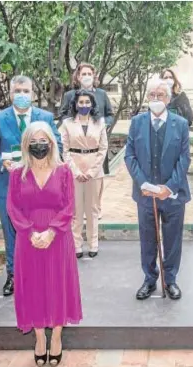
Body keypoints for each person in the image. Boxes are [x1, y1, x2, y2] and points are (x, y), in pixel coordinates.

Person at [6, 121, 82, 367]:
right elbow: (13, 207)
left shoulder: (64, 171)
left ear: (51, 143)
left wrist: (51, 232)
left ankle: (57, 336)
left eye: (44, 141)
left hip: (58, 237)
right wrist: (29, 233)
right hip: (27, 238)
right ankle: (39, 338)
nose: (39, 146)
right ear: (26, 144)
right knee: (34, 285)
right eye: (34, 141)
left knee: (58, 284)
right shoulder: (18, 173)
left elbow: (69, 206)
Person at [0, 75, 62, 297]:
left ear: (33, 94)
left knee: (37, 230)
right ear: (10, 93)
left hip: (39, 189)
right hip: (7, 186)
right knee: (11, 232)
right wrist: (1, 163)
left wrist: (47, 164)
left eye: (26, 91)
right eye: (17, 91)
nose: (22, 95)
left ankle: (40, 276)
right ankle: (13, 275)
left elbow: (58, 145)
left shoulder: (45, 117)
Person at [124, 79, 191, 301]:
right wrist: (143, 183)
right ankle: (150, 279)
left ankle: (170, 280)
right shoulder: (137, 122)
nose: (155, 99)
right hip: (145, 194)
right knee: (148, 238)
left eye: (160, 95)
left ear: (169, 98)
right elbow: (130, 155)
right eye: (152, 95)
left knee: (172, 239)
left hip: (172, 194)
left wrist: (169, 187)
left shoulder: (180, 124)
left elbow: (184, 159)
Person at [59, 63, 114, 216]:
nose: (86, 77)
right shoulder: (70, 95)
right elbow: (62, 114)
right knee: (77, 178)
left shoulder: (101, 94)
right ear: (78, 76)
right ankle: (79, 209)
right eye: (83, 74)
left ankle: (96, 208)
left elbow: (110, 114)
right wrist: (71, 126)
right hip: (76, 142)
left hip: (95, 142)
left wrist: (103, 124)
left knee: (96, 176)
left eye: (89, 74)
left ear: (94, 76)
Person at [60, 89, 109, 259]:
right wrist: (76, 170)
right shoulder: (67, 123)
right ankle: (76, 245)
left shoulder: (100, 122)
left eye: (87, 102)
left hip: (94, 171)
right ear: (75, 104)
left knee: (92, 209)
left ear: (92, 104)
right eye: (81, 102)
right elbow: (64, 151)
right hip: (74, 170)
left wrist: (91, 171)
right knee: (76, 210)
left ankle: (93, 244)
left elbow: (103, 149)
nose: (84, 105)